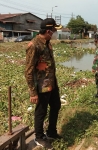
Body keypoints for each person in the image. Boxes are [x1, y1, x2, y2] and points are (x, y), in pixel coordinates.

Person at [25, 18, 62, 148]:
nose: (54, 33)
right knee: (41, 112)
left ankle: (51, 132)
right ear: (48, 31)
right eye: (53, 30)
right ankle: (39, 137)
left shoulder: (47, 43)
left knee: (56, 105)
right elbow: (28, 70)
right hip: (41, 86)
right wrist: (33, 92)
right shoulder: (34, 45)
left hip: (52, 83)